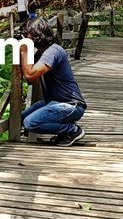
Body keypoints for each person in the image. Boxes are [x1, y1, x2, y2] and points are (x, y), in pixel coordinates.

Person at [17, 16, 87, 146]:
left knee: (30, 123)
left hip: (71, 105)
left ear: (37, 35)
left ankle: (72, 130)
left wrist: (24, 51)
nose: (25, 38)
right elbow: (33, 82)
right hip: (54, 103)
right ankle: (64, 131)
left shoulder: (53, 51)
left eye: (27, 35)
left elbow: (30, 75)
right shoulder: (41, 53)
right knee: (19, 119)